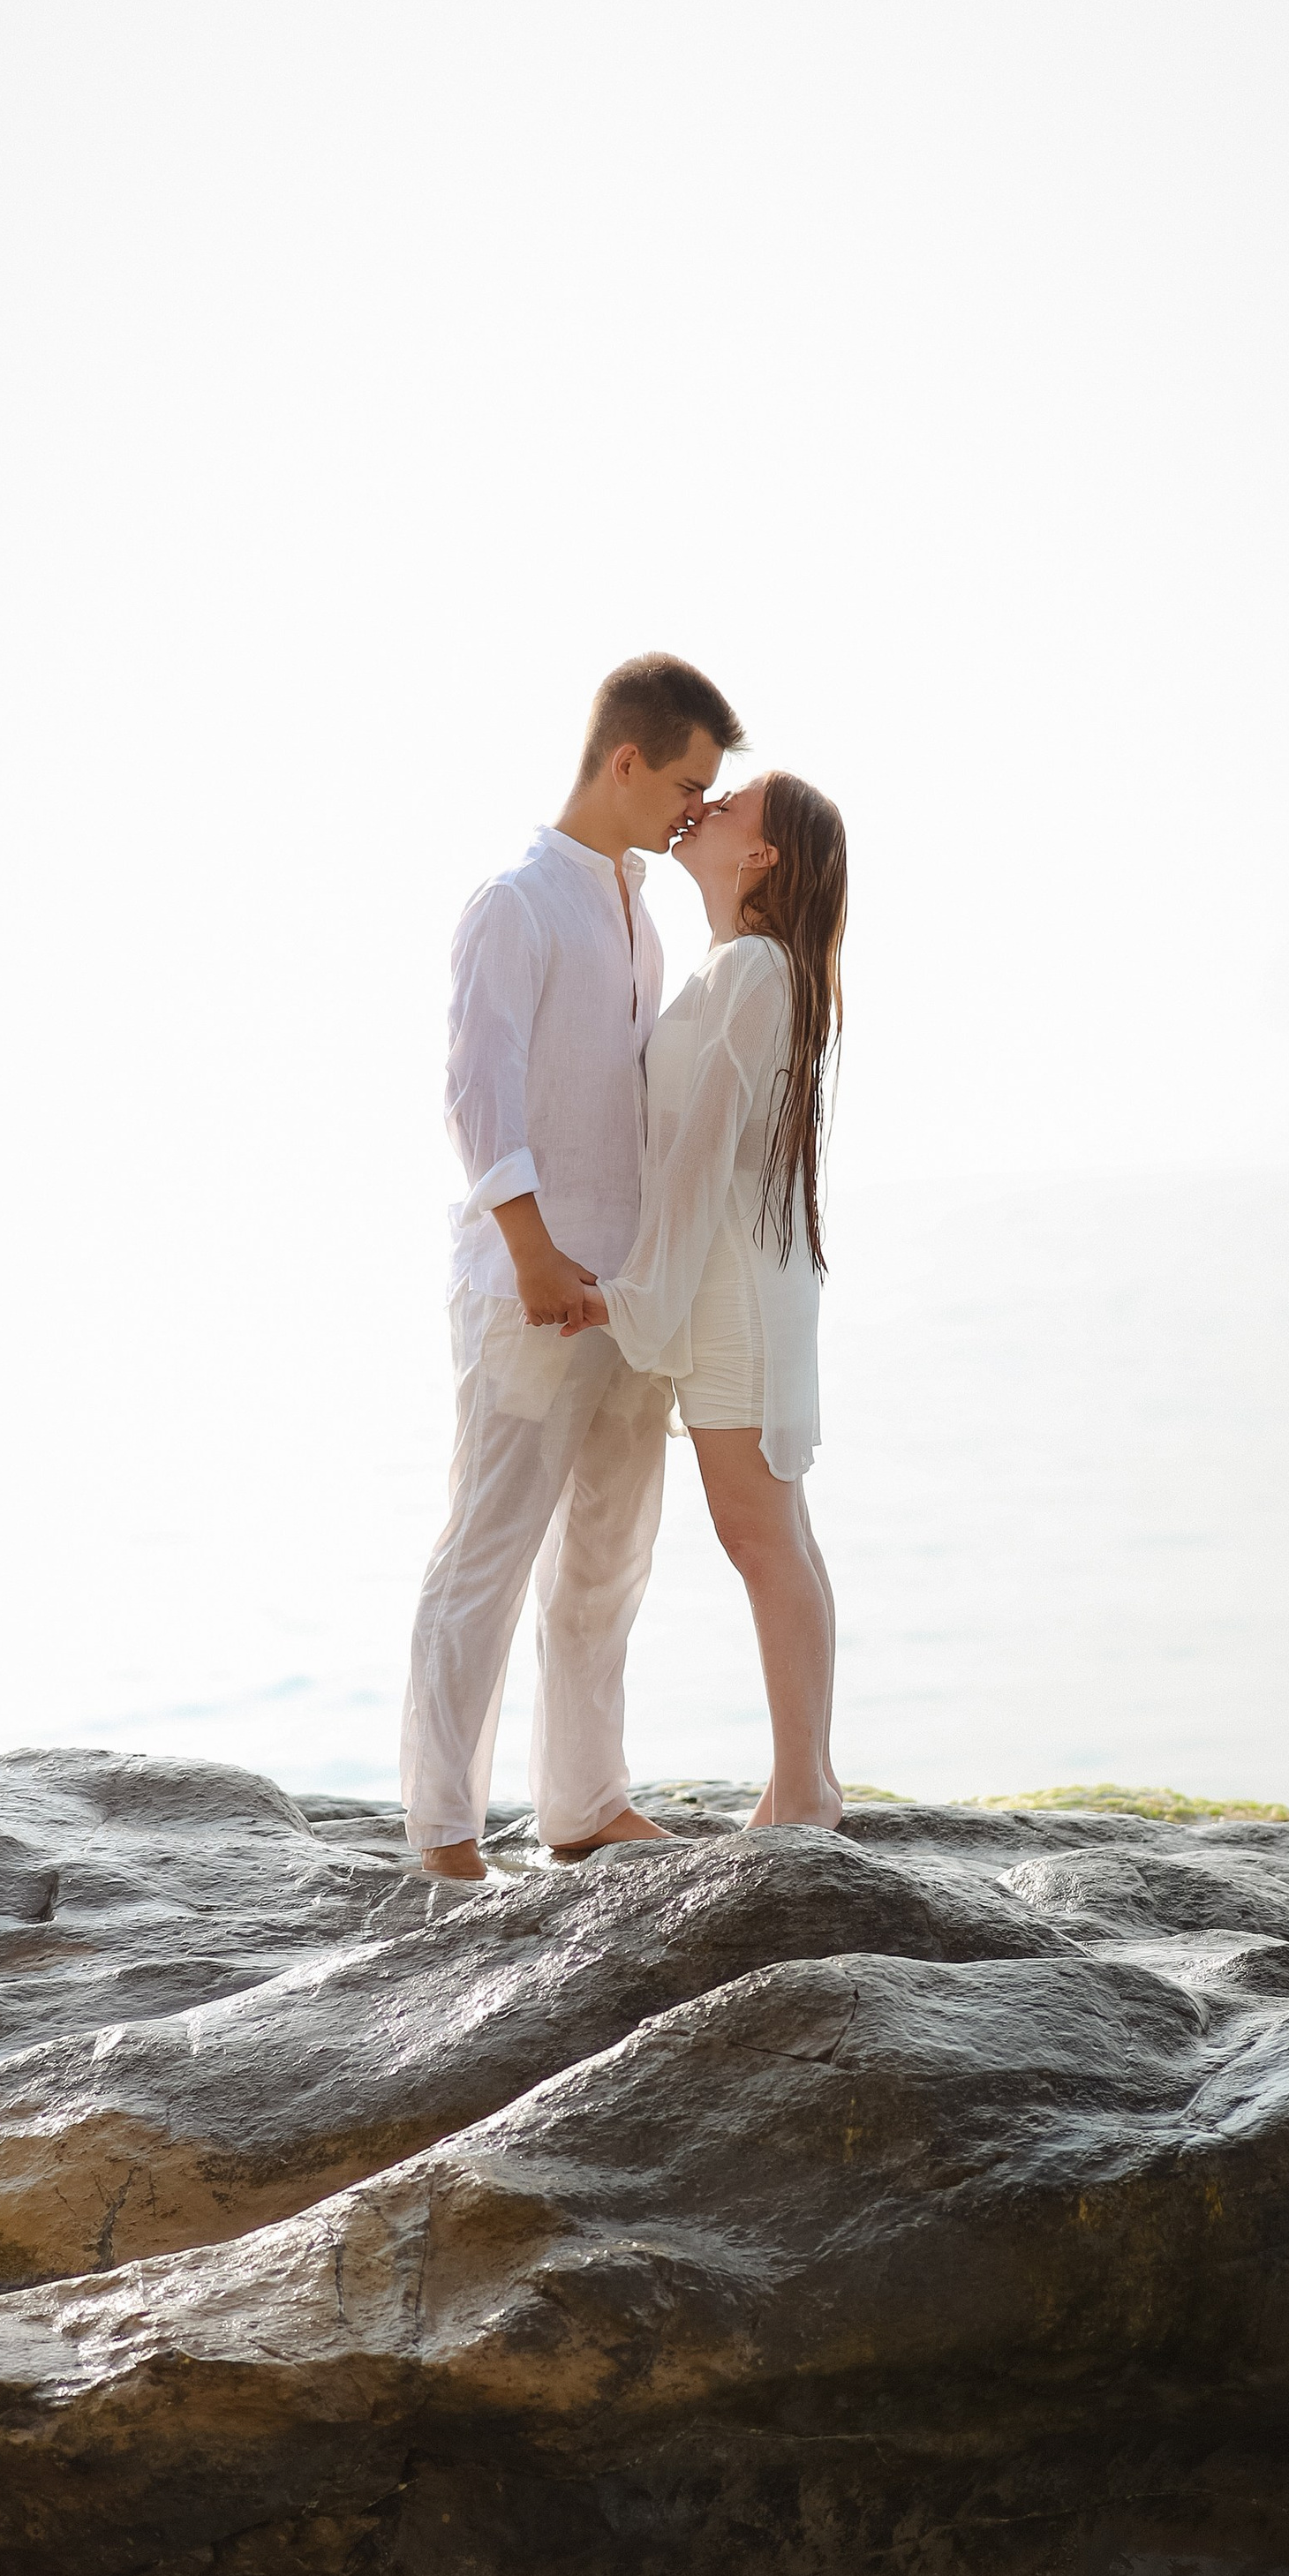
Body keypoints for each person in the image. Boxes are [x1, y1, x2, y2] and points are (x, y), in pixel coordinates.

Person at [400, 652, 746, 1882]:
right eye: (688, 784)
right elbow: (475, 1091)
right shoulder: (517, 899)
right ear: (626, 760)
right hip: (531, 1286)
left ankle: (585, 1804)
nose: (695, 809)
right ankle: (442, 1833)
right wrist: (535, 1251)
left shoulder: (638, 910)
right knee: (486, 1554)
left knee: (609, 1551)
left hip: (628, 1291)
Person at [571, 772, 848, 1828]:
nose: (709, 803)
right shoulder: (743, 968)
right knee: (778, 1533)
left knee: (759, 1534)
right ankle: (801, 1781)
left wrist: (628, 1298)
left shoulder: (753, 972)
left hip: (727, 1290)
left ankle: (807, 1793)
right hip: (736, 1280)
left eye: (730, 801)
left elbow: (698, 1160)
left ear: (761, 854)